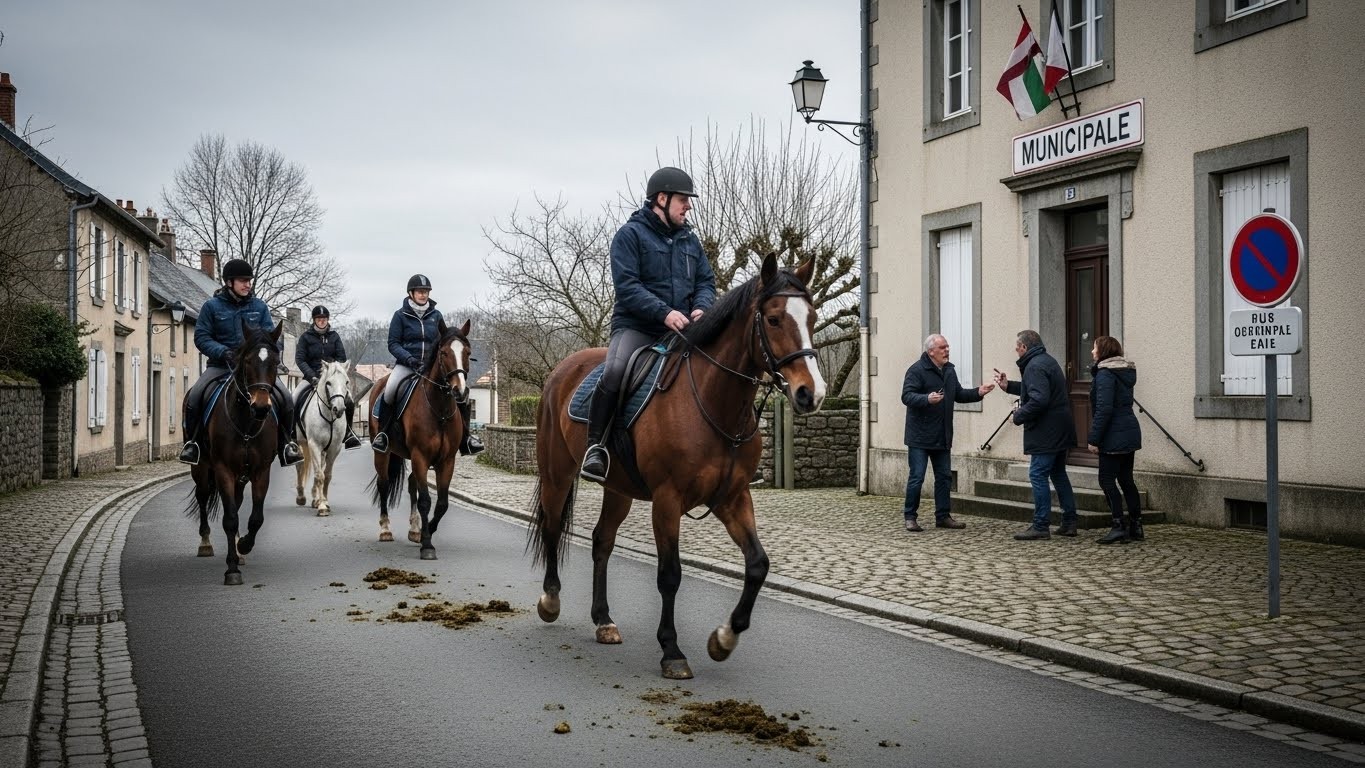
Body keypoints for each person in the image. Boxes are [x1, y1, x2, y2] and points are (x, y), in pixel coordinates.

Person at [579, 166, 716, 482]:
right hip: (636, 327)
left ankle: (726, 451)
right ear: (662, 199)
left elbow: (706, 282)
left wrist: (702, 308)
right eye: (683, 199)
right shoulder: (629, 236)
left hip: (683, 328)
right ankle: (595, 447)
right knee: (614, 371)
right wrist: (664, 313)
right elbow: (627, 287)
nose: (688, 206)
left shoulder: (690, 241)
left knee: (718, 366)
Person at [178, 258, 304, 467]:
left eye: (249, 281)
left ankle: (286, 444)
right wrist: (223, 352)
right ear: (229, 282)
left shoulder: (259, 307)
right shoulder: (211, 307)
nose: (248, 285)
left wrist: (265, 353)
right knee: (195, 396)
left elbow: (269, 337)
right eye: (243, 281)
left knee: (286, 399)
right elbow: (201, 337)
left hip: (254, 370)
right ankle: (193, 444)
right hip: (221, 366)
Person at [371, 274, 483, 456]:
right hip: (407, 364)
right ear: (411, 293)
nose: (423, 295)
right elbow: (393, 344)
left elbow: (443, 342)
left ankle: (466, 438)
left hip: (431, 366)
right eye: (420, 291)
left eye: (426, 292)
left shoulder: (436, 316)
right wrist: (409, 359)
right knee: (390, 389)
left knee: (461, 391)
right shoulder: (400, 316)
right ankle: (383, 434)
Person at [900, 334, 995, 531]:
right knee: (917, 478)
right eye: (942, 347)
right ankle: (910, 517)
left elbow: (958, 394)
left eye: (947, 347)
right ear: (931, 351)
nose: (947, 350)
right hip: (919, 436)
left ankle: (943, 517)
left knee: (944, 477)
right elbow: (907, 396)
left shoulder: (950, 370)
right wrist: (926, 399)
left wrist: (978, 392)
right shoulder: (916, 370)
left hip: (942, 435)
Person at [992, 329, 1077, 540]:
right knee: (1058, 474)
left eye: (1017, 348)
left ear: (1024, 347)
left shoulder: (1034, 366)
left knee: (1037, 474)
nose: (1016, 351)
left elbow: (1039, 399)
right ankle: (1069, 522)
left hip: (1046, 432)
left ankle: (1040, 525)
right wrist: (1008, 386)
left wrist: (1018, 415)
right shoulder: (1046, 361)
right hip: (1060, 429)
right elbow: (1035, 389)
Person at [1087, 335, 1144, 544]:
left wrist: (1094, 439)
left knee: (1106, 480)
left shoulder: (1105, 374)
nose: (1092, 352)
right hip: (1128, 431)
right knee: (1126, 480)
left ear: (1103, 351)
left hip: (1114, 435)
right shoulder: (1123, 371)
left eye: (1094, 348)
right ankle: (1136, 526)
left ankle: (1118, 525)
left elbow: (1104, 409)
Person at [295, 305, 362, 450]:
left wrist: (333, 371)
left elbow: (341, 357)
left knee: (349, 401)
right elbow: (300, 359)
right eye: (319, 319)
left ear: (327, 320)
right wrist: (312, 376)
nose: (322, 321)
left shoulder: (334, 336)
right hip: (311, 377)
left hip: (332, 378)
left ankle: (349, 433)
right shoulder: (305, 337)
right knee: (294, 398)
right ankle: (291, 436)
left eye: (324, 319)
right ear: (314, 320)